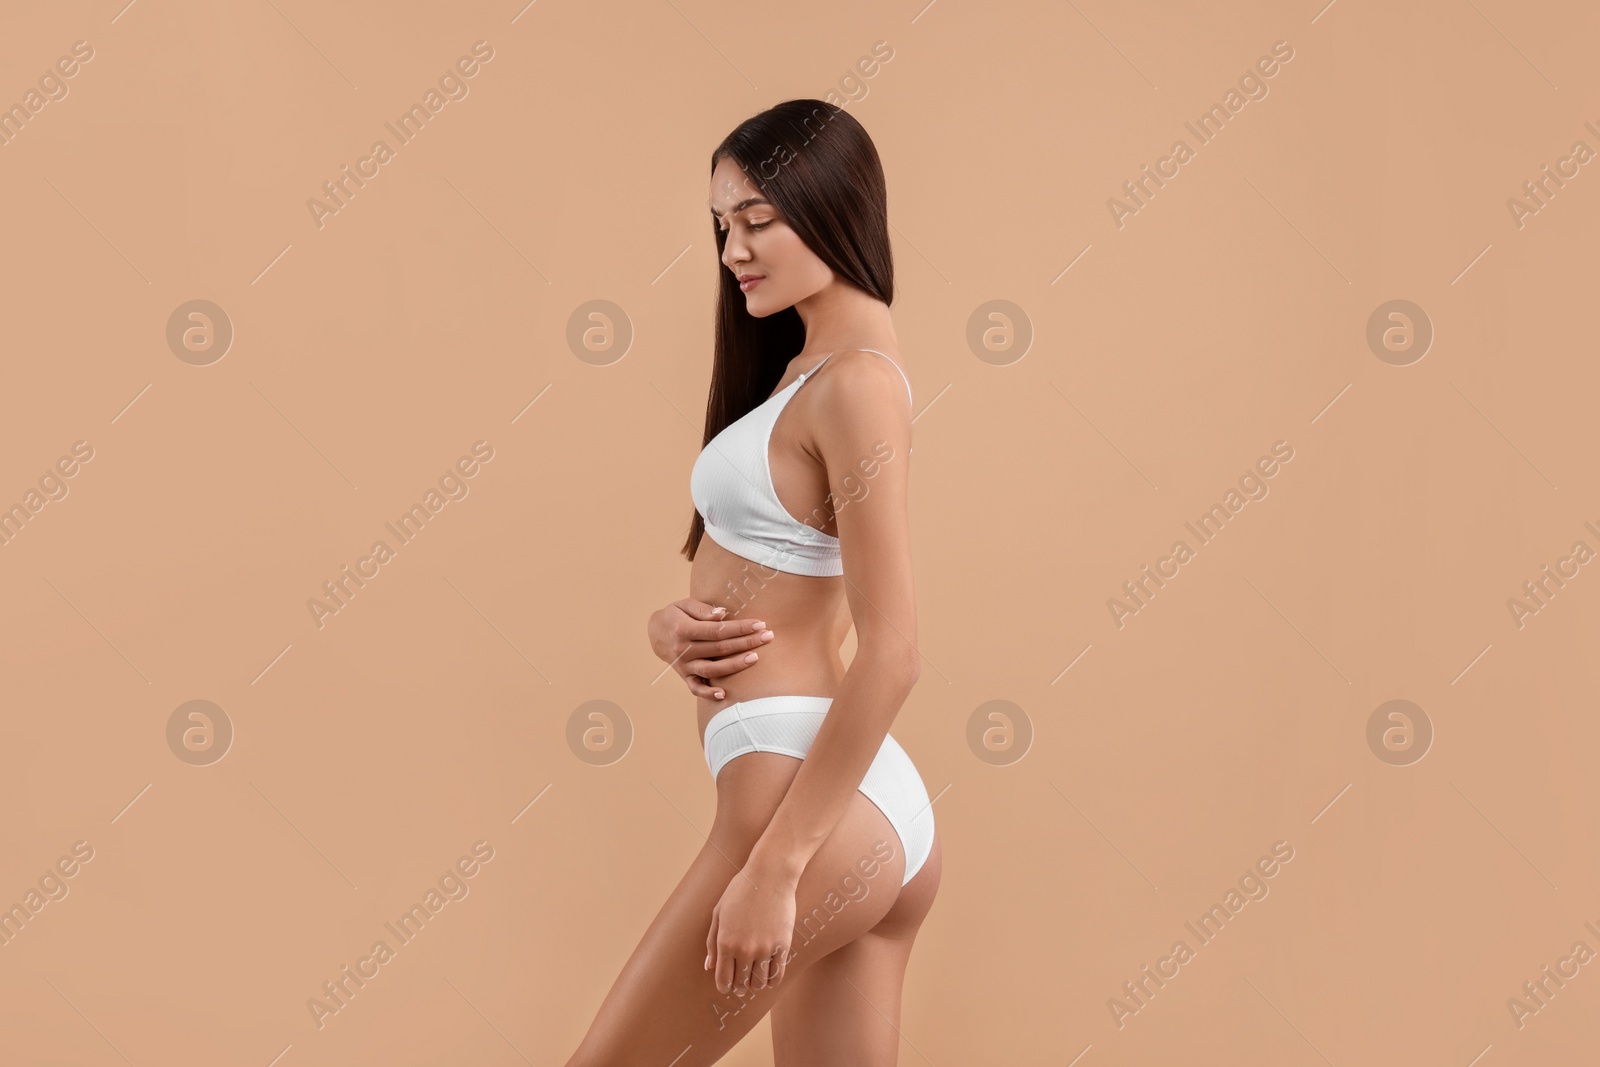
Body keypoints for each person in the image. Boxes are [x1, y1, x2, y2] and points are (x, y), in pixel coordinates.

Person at [564, 99, 941, 1067]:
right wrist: (670, 626)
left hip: (799, 810)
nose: (733, 248)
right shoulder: (803, 370)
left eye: (757, 219)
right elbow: (771, 560)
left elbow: (893, 647)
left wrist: (776, 865)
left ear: (834, 204)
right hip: (837, 804)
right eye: (721, 225)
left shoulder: (854, 382)